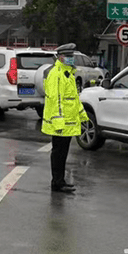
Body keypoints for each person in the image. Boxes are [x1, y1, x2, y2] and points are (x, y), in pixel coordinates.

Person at [42, 43, 88, 193]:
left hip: (68, 123)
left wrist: (82, 116)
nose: (71, 59)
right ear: (60, 57)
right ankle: (57, 182)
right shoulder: (57, 74)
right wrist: (58, 121)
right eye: (68, 56)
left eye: (72, 56)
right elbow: (56, 100)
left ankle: (60, 181)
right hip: (61, 123)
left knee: (62, 154)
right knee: (58, 153)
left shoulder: (68, 74)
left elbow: (74, 99)